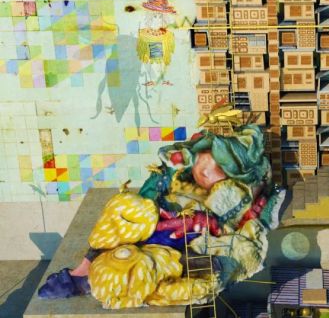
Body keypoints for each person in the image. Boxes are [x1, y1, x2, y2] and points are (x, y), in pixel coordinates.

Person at [38, 124, 284, 308]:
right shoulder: (203, 186)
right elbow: (176, 285)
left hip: (175, 233)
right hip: (174, 234)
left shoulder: (227, 190)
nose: (205, 173)